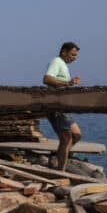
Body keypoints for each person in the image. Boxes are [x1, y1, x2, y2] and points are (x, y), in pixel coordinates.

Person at [42, 42, 82, 171]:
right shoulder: (56, 61)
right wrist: (68, 82)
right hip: (56, 106)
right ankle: (61, 170)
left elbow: (63, 84)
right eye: (72, 54)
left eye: (75, 56)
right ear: (64, 51)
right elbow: (47, 79)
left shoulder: (63, 65)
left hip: (64, 107)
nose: (74, 58)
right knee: (66, 138)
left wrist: (69, 83)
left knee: (76, 135)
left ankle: (58, 157)